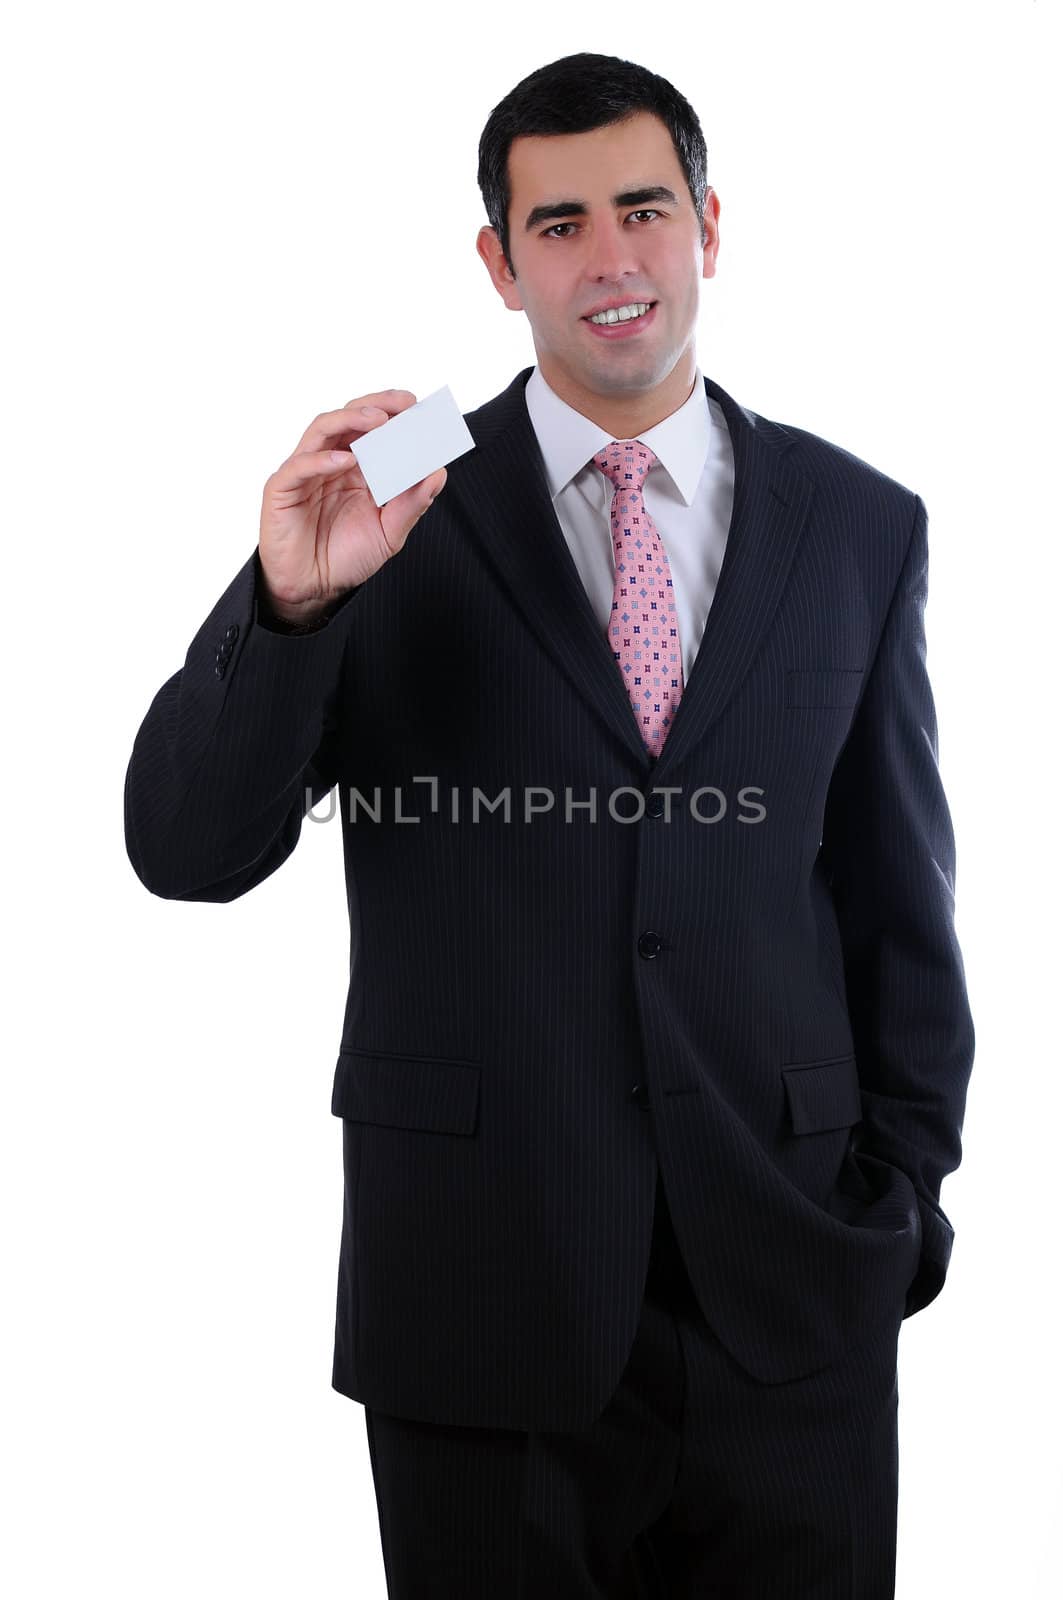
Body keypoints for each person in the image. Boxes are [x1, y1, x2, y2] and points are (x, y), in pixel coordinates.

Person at [124, 51, 976, 1599]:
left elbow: (897, 896)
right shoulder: (393, 485)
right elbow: (186, 847)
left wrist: (902, 1210)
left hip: (793, 1302)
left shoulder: (859, 522)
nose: (612, 260)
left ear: (710, 227)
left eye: (644, 209)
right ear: (498, 261)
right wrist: (294, 602)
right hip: (479, 1299)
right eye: (561, 223)